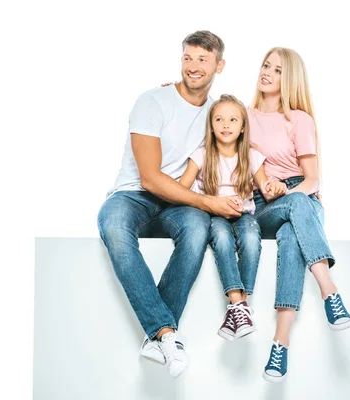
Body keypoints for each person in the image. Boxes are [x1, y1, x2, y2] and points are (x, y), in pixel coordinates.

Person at [97, 31, 243, 378]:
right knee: (113, 226)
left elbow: (251, 129)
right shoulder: (152, 101)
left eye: (202, 60)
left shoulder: (216, 112)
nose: (193, 67)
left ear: (219, 65)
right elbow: (148, 178)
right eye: (187, 58)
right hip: (135, 194)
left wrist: (297, 182)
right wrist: (209, 201)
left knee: (196, 228)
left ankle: (157, 338)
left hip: (178, 202)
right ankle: (166, 332)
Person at [247, 47, 350, 383]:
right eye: (266, 66)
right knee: (297, 209)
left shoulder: (298, 119)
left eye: (277, 70)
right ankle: (330, 291)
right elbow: (211, 123)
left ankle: (280, 343)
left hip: (299, 193)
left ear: (289, 78)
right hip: (262, 202)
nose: (267, 73)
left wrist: (290, 192)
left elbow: (312, 179)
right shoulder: (243, 115)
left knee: (292, 235)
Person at [178, 94, 287, 341]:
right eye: (219, 119)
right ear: (211, 125)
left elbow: (265, 189)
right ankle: (238, 304)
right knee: (222, 240)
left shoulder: (251, 155)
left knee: (250, 238)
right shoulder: (202, 154)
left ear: (242, 127)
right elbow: (181, 188)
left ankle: (239, 309)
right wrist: (206, 202)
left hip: (244, 214)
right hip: (215, 215)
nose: (226, 125)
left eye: (232, 120)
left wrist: (276, 186)